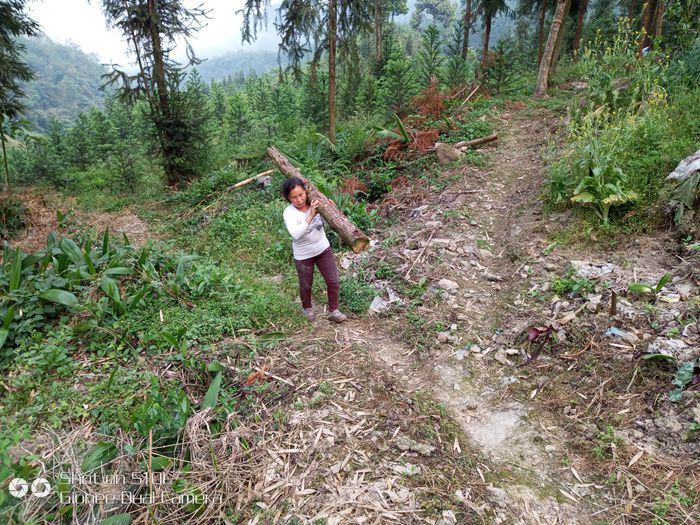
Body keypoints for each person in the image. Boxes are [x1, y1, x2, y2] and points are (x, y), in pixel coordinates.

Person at [282, 177, 347, 323]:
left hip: (323, 249)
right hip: (303, 255)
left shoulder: (315, 203)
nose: (299, 199)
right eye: (294, 197)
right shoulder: (289, 213)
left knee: (333, 281)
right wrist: (311, 215)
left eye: (301, 195)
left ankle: (334, 310)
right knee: (306, 285)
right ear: (288, 198)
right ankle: (308, 309)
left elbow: (327, 225)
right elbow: (296, 234)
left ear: (305, 192)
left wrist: (330, 210)